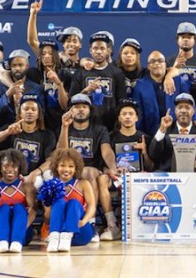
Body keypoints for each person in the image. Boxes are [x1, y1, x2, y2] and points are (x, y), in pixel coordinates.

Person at [57, 94, 119, 241]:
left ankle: (91, 223)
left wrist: (113, 167)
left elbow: (106, 150)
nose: (80, 110)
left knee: (89, 172)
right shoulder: (65, 127)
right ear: (70, 110)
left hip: (92, 171)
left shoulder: (100, 129)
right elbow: (61, 153)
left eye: (84, 107)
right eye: (76, 107)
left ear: (90, 110)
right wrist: (65, 127)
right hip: (68, 172)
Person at [68, 32, 127, 132]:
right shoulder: (81, 73)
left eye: (102, 48)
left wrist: (118, 124)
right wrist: (86, 90)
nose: (99, 51)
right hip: (85, 125)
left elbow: (121, 102)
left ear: (108, 51)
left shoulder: (117, 73)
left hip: (111, 126)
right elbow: (71, 101)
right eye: (95, 48)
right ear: (90, 51)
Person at [0, 94, 57, 176]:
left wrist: (35, 173)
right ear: (20, 113)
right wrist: (7, 132)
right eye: (26, 109)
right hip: (10, 173)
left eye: (33, 109)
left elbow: (50, 160)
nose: (29, 112)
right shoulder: (10, 128)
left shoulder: (47, 134)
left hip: (35, 176)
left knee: (49, 174)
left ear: (38, 114)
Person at [44, 148, 96, 251]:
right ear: (56, 166)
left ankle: (67, 234)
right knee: (59, 202)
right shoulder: (51, 185)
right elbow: (47, 217)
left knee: (74, 203)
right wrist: (48, 202)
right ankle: (54, 237)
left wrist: (84, 221)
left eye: (71, 166)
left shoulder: (83, 184)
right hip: (58, 233)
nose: (67, 169)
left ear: (76, 168)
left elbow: (92, 206)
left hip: (80, 230)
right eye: (62, 165)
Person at [149, 93, 196, 172]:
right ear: (175, 110)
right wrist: (162, 129)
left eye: (187, 107)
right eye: (180, 107)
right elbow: (153, 154)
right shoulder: (164, 129)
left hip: (195, 175)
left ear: (193, 111)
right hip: (169, 175)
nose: (183, 111)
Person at [0, 149, 36, 253]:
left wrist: (18, 230)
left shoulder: (27, 187)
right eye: (6, 166)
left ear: (19, 167)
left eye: (14, 166)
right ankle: (2, 241)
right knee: (4, 208)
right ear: (0, 168)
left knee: (19, 207)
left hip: (22, 232)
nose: (10, 169)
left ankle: (17, 241)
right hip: (0, 232)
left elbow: (33, 212)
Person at [166, 22, 196, 125]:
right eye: (182, 37)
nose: (186, 39)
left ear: (195, 40)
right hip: (173, 119)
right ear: (177, 40)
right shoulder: (169, 62)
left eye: (189, 37)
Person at [25, 39, 71, 134]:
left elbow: (65, 105)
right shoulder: (33, 73)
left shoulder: (65, 75)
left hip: (59, 122)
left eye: (50, 53)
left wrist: (59, 84)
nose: (46, 56)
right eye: (43, 53)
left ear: (56, 56)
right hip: (39, 124)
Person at [0, 50, 44, 129]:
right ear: (10, 67)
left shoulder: (36, 88)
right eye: (14, 65)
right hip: (5, 129)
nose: (17, 68)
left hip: (28, 130)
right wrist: (8, 94)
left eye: (20, 65)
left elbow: (41, 113)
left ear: (27, 66)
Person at [133, 50, 177, 136]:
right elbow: (138, 114)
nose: (157, 64)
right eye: (152, 61)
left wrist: (195, 119)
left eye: (160, 61)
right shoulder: (140, 86)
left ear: (165, 64)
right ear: (148, 66)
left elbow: (188, 102)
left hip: (174, 133)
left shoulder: (177, 81)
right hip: (150, 134)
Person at [110, 99, 153, 173]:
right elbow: (104, 167)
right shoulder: (110, 138)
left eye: (131, 114)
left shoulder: (145, 138)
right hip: (117, 178)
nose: (127, 117)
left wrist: (145, 153)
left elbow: (151, 167)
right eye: (124, 114)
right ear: (119, 118)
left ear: (137, 118)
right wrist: (114, 171)